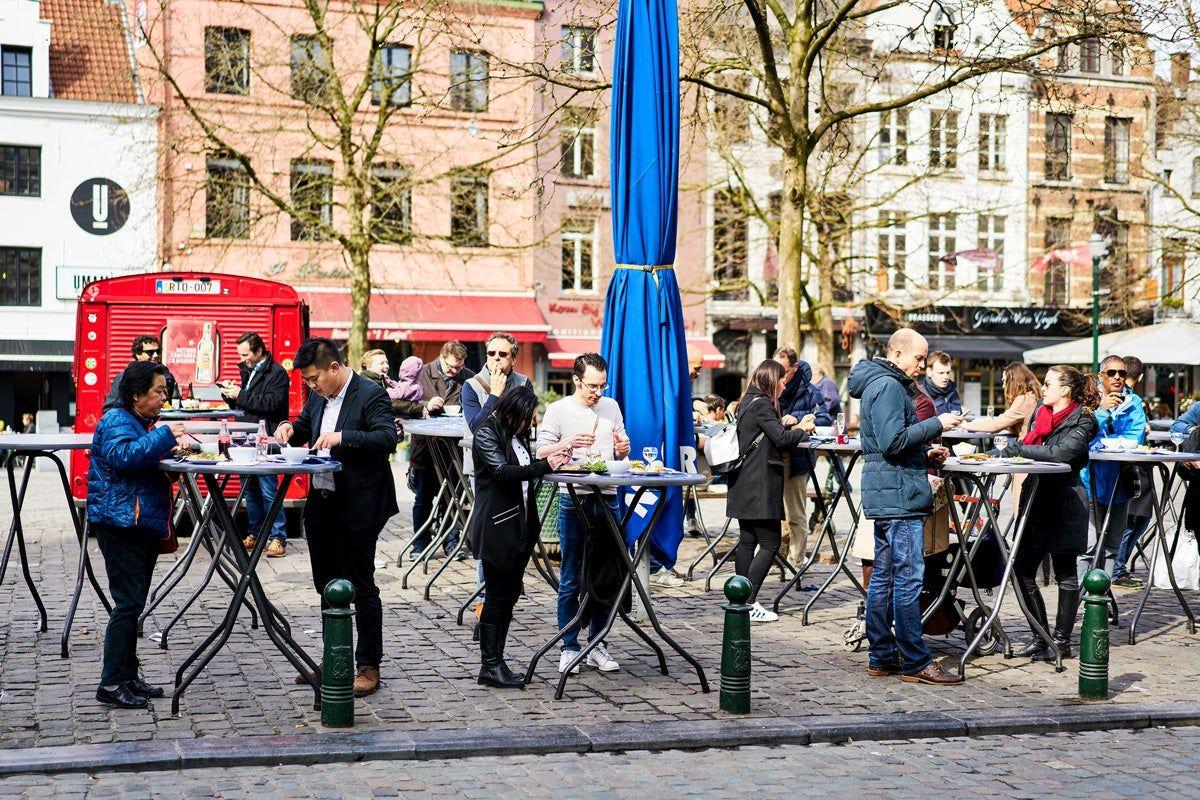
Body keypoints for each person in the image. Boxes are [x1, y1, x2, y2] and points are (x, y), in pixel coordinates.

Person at [275, 338, 398, 697]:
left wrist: (342, 437)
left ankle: (368, 664)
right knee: (326, 585)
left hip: (359, 502)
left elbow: (387, 438)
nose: (310, 386)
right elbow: (305, 423)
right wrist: (289, 428)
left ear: (334, 368)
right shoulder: (318, 394)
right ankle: (334, 656)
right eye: (307, 382)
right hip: (322, 502)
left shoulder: (369, 393)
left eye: (314, 379)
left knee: (360, 586)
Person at [848, 329, 963, 685]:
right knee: (907, 577)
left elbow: (890, 444)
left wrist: (924, 451)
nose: (921, 365)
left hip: (892, 488)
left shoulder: (884, 383)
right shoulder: (888, 386)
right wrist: (936, 424)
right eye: (918, 358)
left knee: (884, 576)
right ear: (898, 354)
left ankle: (882, 655)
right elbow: (891, 441)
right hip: (897, 494)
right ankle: (915, 660)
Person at [88, 360, 188, 708]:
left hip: (138, 523)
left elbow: (140, 464)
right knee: (127, 603)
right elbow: (124, 457)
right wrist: (164, 437)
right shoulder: (117, 420)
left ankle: (127, 675)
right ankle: (112, 682)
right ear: (136, 395)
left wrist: (166, 450)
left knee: (135, 603)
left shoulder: (139, 422)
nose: (164, 397)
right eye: (158, 391)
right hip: (119, 524)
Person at [993, 365, 1100, 660]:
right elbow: (1027, 444)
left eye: (1049, 383)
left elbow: (1061, 454)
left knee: (1065, 573)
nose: (1044, 388)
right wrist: (1003, 452)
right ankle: (1041, 637)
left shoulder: (1084, 420)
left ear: (1065, 390)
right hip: (1036, 498)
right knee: (1021, 570)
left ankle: (1062, 642)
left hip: (1065, 500)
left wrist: (1018, 450)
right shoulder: (1041, 413)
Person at [469, 386, 571, 687]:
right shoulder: (488, 432)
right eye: (528, 416)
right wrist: (544, 466)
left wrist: (554, 454)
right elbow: (502, 472)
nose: (532, 421)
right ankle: (490, 665)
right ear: (513, 413)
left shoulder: (516, 434)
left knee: (509, 596)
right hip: (497, 525)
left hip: (520, 525)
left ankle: (495, 661)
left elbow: (526, 467)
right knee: (497, 598)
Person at [536, 353, 631, 674]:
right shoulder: (558, 410)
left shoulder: (611, 407)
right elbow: (541, 451)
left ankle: (598, 643)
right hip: (573, 497)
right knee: (572, 575)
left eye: (603, 386)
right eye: (592, 386)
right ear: (577, 380)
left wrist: (623, 449)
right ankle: (569, 645)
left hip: (608, 496)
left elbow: (622, 447)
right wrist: (567, 442)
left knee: (606, 576)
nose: (598, 392)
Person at [726, 359, 815, 622]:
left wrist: (788, 427)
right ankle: (749, 601)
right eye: (782, 381)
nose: (784, 386)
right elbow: (782, 439)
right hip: (759, 484)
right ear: (770, 380)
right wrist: (802, 429)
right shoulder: (763, 404)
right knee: (770, 542)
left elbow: (769, 433)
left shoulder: (747, 402)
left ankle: (738, 599)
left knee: (747, 542)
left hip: (744, 481)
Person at [220, 332, 291, 557]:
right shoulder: (249, 369)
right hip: (245, 437)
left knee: (269, 489)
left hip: (264, 438)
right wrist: (229, 394)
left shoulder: (277, 373)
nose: (242, 359)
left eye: (245, 354)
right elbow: (248, 405)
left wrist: (239, 394)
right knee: (249, 490)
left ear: (259, 350)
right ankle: (256, 533)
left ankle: (277, 537)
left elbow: (271, 403)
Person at [1079, 355, 1147, 582]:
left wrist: (1113, 441)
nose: (1117, 377)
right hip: (1090, 480)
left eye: (1122, 373)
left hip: (1120, 482)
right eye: (1111, 373)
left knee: (1112, 546)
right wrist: (1101, 411)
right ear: (1101, 376)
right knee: (1088, 546)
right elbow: (1081, 435)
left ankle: (1103, 599)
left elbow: (1135, 438)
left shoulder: (1134, 403)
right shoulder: (1088, 399)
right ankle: (1079, 600)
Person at [409, 341, 473, 558]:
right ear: (442, 357)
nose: (455, 372)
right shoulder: (421, 373)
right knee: (423, 498)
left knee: (452, 498)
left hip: (453, 450)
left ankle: (451, 543)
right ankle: (420, 545)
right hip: (426, 448)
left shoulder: (468, 377)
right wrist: (426, 404)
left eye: (459, 368)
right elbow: (402, 402)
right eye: (451, 367)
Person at [773, 347, 832, 564]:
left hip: (797, 455)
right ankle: (770, 558)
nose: (779, 376)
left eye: (784, 371)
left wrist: (795, 418)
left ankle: (796, 561)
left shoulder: (809, 390)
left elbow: (825, 418)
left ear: (794, 367)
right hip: (771, 455)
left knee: (796, 512)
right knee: (768, 511)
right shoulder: (769, 384)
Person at [1113, 355, 1152, 589]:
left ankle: (1117, 568)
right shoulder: (1113, 400)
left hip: (1137, 462)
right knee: (1131, 520)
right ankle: (1116, 570)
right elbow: (1133, 436)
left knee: (1137, 520)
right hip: (1130, 466)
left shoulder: (1134, 401)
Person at [463, 332, 532, 434]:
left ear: (513, 360)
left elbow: (526, 424)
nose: (496, 357)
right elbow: (476, 429)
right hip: (482, 448)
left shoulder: (524, 383)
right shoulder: (471, 385)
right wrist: (494, 395)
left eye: (502, 354)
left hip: (513, 446)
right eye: (491, 353)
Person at [963, 363, 1041, 440]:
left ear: (1014, 381)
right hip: (1030, 446)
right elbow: (1002, 424)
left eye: (1005, 381)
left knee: (989, 452)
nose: (1003, 386)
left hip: (1024, 448)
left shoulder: (1024, 400)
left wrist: (965, 425)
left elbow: (995, 425)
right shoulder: (1032, 396)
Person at [104, 334, 178, 411]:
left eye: (158, 351)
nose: (156, 355)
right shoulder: (124, 377)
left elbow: (172, 402)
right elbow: (109, 408)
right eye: (150, 352)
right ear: (138, 354)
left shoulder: (166, 374)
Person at [360, 350, 425, 421]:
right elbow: (389, 402)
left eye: (387, 363)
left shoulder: (383, 380)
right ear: (368, 367)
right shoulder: (366, 383)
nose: (387, 366)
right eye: (382, 363)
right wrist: (418, 408)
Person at [920, 351, 962, 415]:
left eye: (948, 373)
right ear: (929, 372)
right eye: (941, 373)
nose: (945, 377)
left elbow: (958, 414)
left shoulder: (953, 392)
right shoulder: (920, 395)